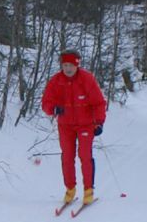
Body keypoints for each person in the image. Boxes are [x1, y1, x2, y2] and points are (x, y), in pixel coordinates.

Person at [41, 51, 107, 208]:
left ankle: (88, 190)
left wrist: (99, 123)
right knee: (67, 156)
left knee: (84, 155)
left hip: (86, 124)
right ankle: (70, 189)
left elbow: (99, 103)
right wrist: (53, 109)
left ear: (77, 65)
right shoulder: (56, 81)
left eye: (71, 65)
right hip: (65, 126)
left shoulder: (86, 79)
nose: (68, 68)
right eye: (65, 65)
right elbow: (46, 103)